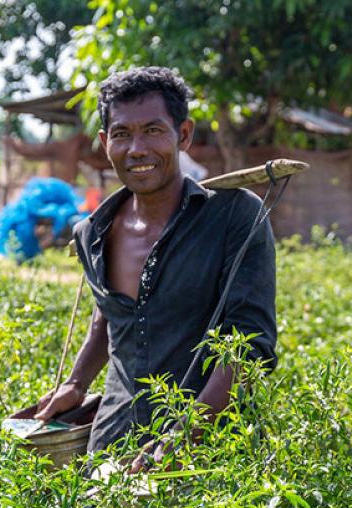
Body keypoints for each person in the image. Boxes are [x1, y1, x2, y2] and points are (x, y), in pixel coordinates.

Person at [35, 67, 277, 470]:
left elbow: (248, 344)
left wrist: (186, 434)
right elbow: (110, 317)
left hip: (212, 457)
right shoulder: (92, 232)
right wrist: (76, 384)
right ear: (103, 142)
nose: (137, 149)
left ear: (183, 135)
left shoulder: (235, 215)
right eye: (122, 134)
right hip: (111, 448)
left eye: (153, 130)